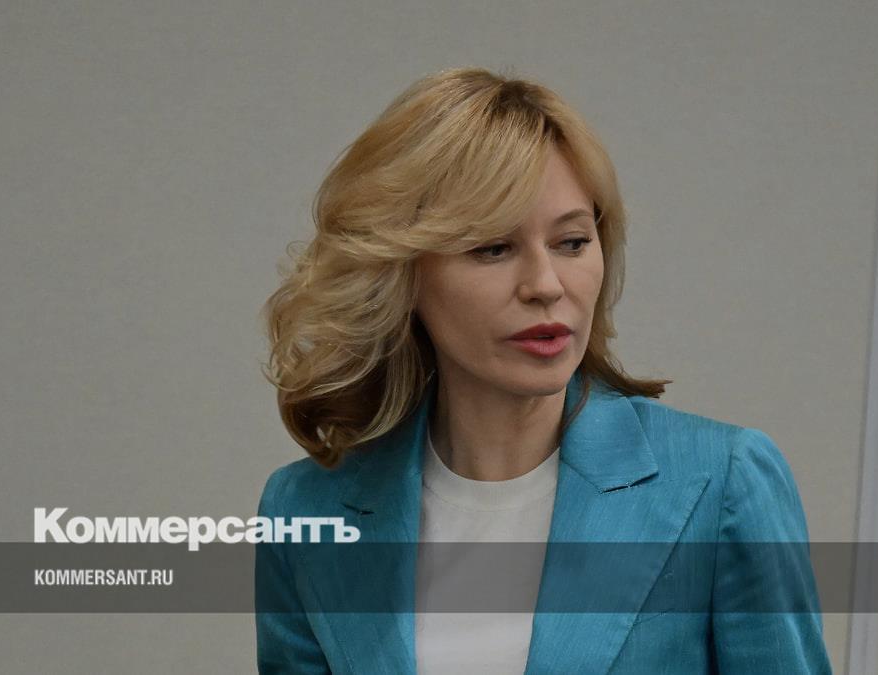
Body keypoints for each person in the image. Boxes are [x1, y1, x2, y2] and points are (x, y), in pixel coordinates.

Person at [255, 66, 831, 674]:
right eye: (492, 248)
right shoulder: (304, 510)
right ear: (402, 274)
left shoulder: (723, 483)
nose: (546, 285)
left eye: (572, 242)